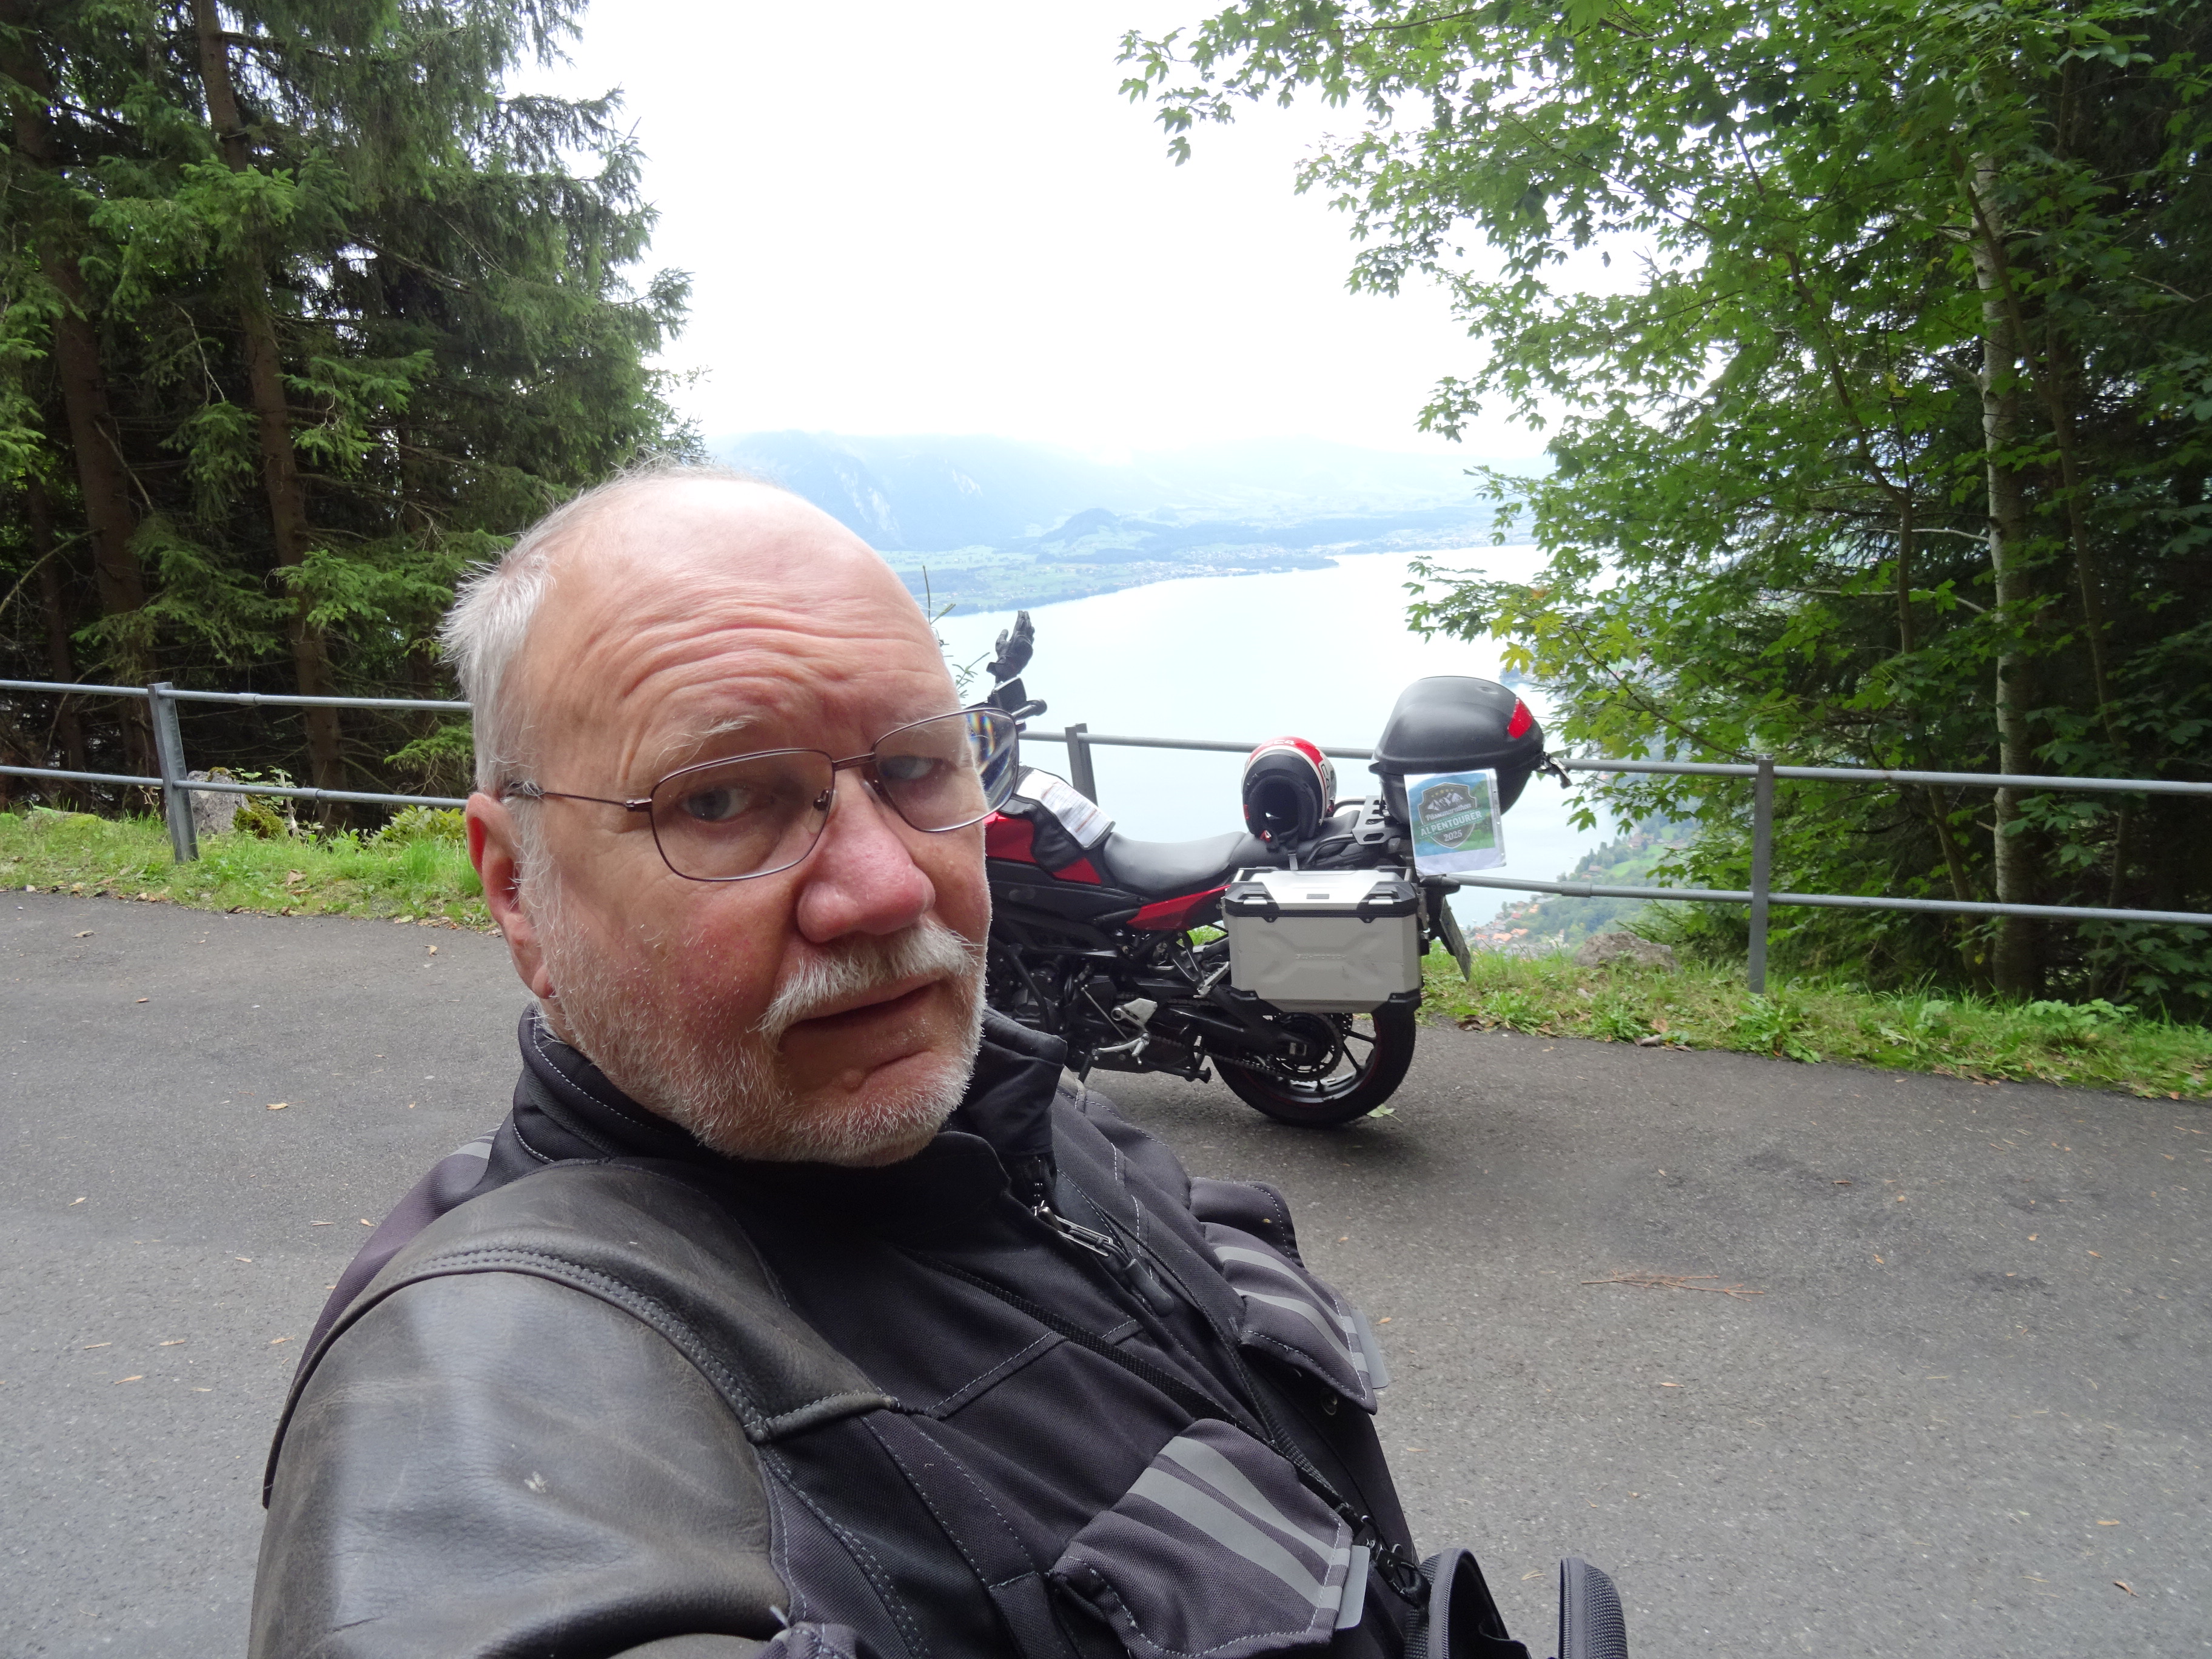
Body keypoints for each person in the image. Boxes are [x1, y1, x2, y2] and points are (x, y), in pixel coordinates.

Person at [247, 466, 1505, 1659]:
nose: (888, 885)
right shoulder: (498, 1387)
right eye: (720, 800)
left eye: (914, 767)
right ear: (518, 888)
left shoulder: (1023, 1113)